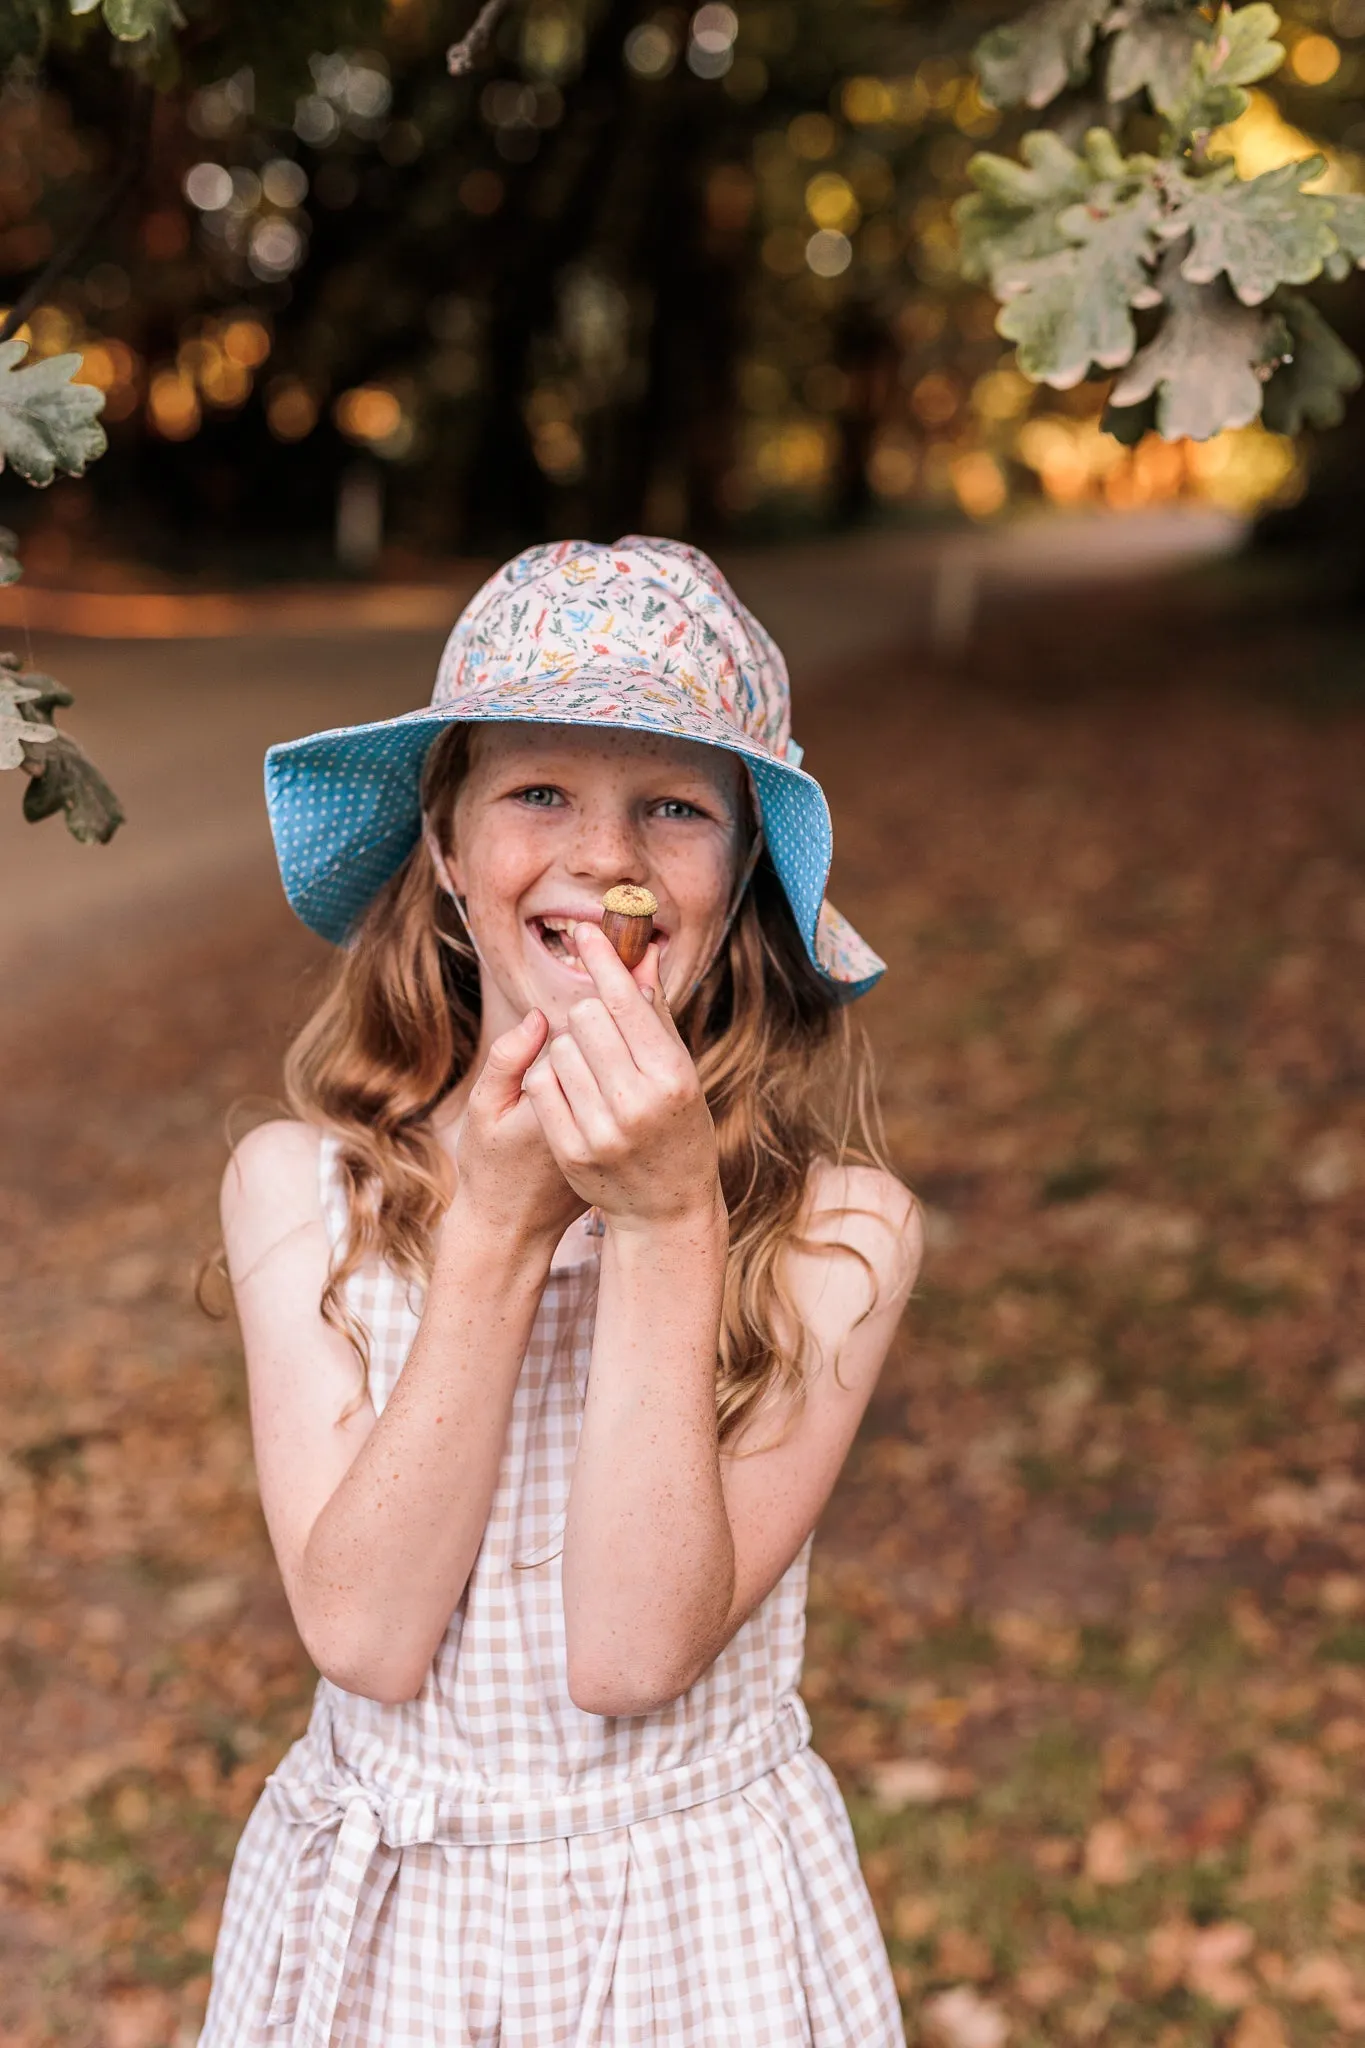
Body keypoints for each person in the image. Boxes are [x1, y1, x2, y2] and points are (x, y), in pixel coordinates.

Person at [200, 537, 922, 2048]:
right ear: (449, 847)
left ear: (741, 879)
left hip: (690, 1936)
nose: (607, 862)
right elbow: (367, 1637)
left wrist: (667, 1225)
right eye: (541, 793)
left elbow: (630, 1654)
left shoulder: (833, 1237)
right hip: (391, 1947)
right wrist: (500, 1238)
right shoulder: (303, 1191)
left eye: (674, 807)